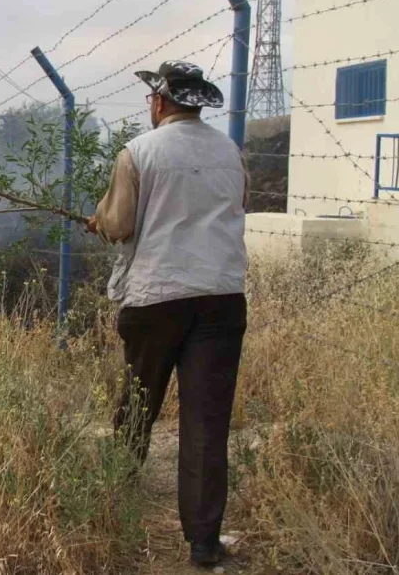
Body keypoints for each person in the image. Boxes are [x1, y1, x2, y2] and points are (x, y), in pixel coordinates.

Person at [86, 60, 249, 568]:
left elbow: (116, 225)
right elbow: (239, 204)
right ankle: (204, 543)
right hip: (221, 297)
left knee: (139, 401)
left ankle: (115, 500)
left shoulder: (139, 150)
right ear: (197, 102)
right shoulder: (230, 151)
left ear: (159, 102)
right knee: (206, 422)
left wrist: (100, 221)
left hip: (156, 296)